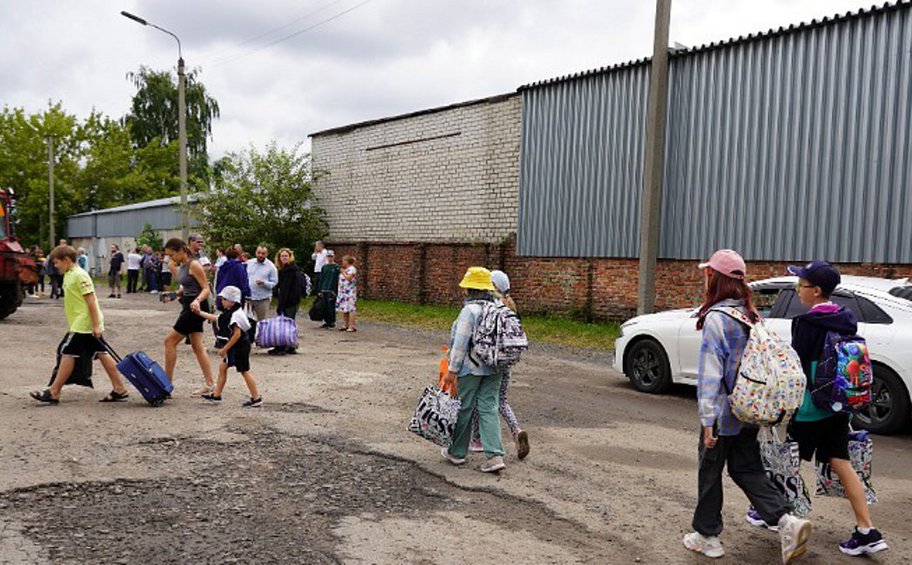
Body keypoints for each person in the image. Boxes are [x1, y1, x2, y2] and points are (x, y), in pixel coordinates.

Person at [683, 249, 811, 563]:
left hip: (724, 416)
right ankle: (786, 521)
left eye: (707, 272)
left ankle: (707, 536)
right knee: (746, 468)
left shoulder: (716, 318)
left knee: (710, 472)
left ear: (714, 277)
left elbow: (711, 375)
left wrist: (707, 420)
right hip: (750, 411)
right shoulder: (750, 314)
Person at [785, 261, 888, 557]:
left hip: (811, 406)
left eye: (800, 285)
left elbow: (798, 367)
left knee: (784, 460)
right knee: (841, 462)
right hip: (839, 405)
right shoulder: (846, 318)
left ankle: (775, 515)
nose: (797, 290)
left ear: (815, 291)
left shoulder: (806, 324)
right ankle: (867, 530)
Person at [29, 245, 131, 404]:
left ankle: (54, 392)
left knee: (68, 353)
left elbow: (91, 301)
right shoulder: (69, 274)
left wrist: (96, 325)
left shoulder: (80, 275)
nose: (55, 266)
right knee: (102, 353)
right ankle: (119, 389)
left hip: (84, 323)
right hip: (82, 322)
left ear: (67, 260)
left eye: (57, 262)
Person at [441, 267, 507, 474]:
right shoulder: (498, 307)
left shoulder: (469, 311)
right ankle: (495, 455)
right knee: (489, 407)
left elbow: (460, 343)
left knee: (464, 407)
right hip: (496, 366)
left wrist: (452, 369)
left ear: (469, 289)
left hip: (470, 368)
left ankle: (457, 452)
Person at [469, 269, 529, 459]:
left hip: (489, 362)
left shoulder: (490, 307)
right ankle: (516, 430)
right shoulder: (510, 307)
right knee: (501, 401)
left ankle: (477, 439)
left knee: (482, 400)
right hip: (505, 363)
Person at [162, 238, 215, 396]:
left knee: (169, 341)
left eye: (172, 255)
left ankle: (167, 384)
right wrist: (173, 295)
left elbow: (206, 288)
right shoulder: (184, 266)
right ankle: (210, 384)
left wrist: (197, 301)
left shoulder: (194, 265)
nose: (171, 259)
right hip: (189, 304)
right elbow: (187, 286)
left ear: (180, 251)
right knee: (197, 345)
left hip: (195, 307)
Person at [193, 286, 262, 408]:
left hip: (239, 347)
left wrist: (225, 349)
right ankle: (216, 395)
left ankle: (256, 397)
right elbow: (216, 318)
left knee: (244, 371)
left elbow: (237, 334)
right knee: (223, 367)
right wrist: (200, 313)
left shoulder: (235, 315)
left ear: (231, 301)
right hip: (237, 346)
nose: (222, 302)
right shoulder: (231, 313)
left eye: (224, 299)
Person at [271, 248, 304, 355]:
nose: (284, 258)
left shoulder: (289, 271)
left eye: (286, 256)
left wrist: (281, 304)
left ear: (290, 257)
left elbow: (285, 289)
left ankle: (284, 347)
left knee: (285, 324)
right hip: (293, 300)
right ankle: (290, 346)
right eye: (282, 256)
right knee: (289, 323)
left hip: (290, 300)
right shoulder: (288, 269)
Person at [246, 245, 278, 321]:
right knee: (246, 321)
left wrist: (264, 283)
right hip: (248, 298)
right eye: (259, 252)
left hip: (262, 299)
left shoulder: (271, 267)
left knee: (262, 322)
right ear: (256, 252)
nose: (260, 255)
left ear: (267, 254)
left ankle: (261, 333)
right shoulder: (249, 263)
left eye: (263, 253)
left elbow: (274, 283)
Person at [317, 250, 340, 329]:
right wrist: (320, 289)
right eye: (328, 256)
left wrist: (335, 290)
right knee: (324, 306)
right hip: (324, 289)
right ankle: (326, 321)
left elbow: (337, 280)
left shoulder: (336, 267)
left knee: (331, 306)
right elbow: (321, 278)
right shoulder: (324, 267)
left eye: (331, 256)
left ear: (334, 257)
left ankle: (332, 321)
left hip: (331, 290)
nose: (330, 258)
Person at [336, 255, 358, 332]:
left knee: (351, 308)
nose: (342, 262)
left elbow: (349, 278)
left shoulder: (352, 269)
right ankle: (345, 324)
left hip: (350, 292)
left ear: (347, 262)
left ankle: (352, 325)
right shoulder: (345, 269)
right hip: (343, 292)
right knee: (344, 308)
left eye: (343, 261)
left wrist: (343, 272)